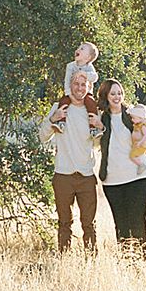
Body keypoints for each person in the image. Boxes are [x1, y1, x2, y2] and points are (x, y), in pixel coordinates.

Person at [40, 69, 102, 253]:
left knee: (89, 223)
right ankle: (63, 259)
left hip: (86, 176)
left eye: (83, 84)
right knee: (64, 222)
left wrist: (100, 126)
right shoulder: (59, 107)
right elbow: (43, 137)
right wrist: (53, 119)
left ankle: (90, 261)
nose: (79, 88)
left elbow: (98, 143)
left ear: (89, 87)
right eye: (76, 83)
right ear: (70, 86)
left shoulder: (92, 111)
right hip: (63, 175)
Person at [96, 80, 146, 253]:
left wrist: (143, 141)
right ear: (106, 97)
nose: (117, 97)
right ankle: (126, 263)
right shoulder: (102, 119)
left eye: (119, 93)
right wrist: (98, 128)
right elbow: (93, 143)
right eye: (112, 94)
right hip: (112, 181)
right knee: (121, 226)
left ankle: (141, 261)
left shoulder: (134, 115)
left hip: (140, 177)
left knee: (137, 221)